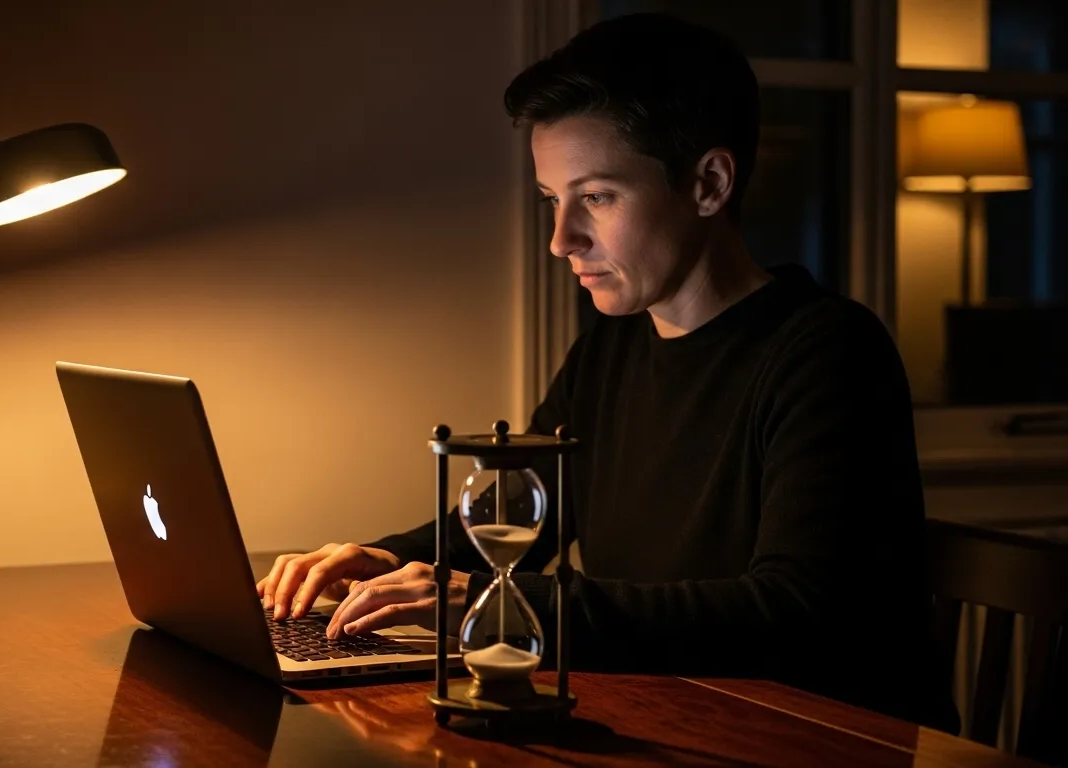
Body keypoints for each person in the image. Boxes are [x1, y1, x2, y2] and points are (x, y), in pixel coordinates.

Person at [257, 13, 955, 729]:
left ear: (709, 183)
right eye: (553, 201)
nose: (562, 240)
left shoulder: (829, 351)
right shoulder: (608, 350)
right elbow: (514, 525)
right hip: (672, 714)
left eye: (595, 197)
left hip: (814, 737)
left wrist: (497, 605)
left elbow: (792, 609)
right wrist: (379, 561)